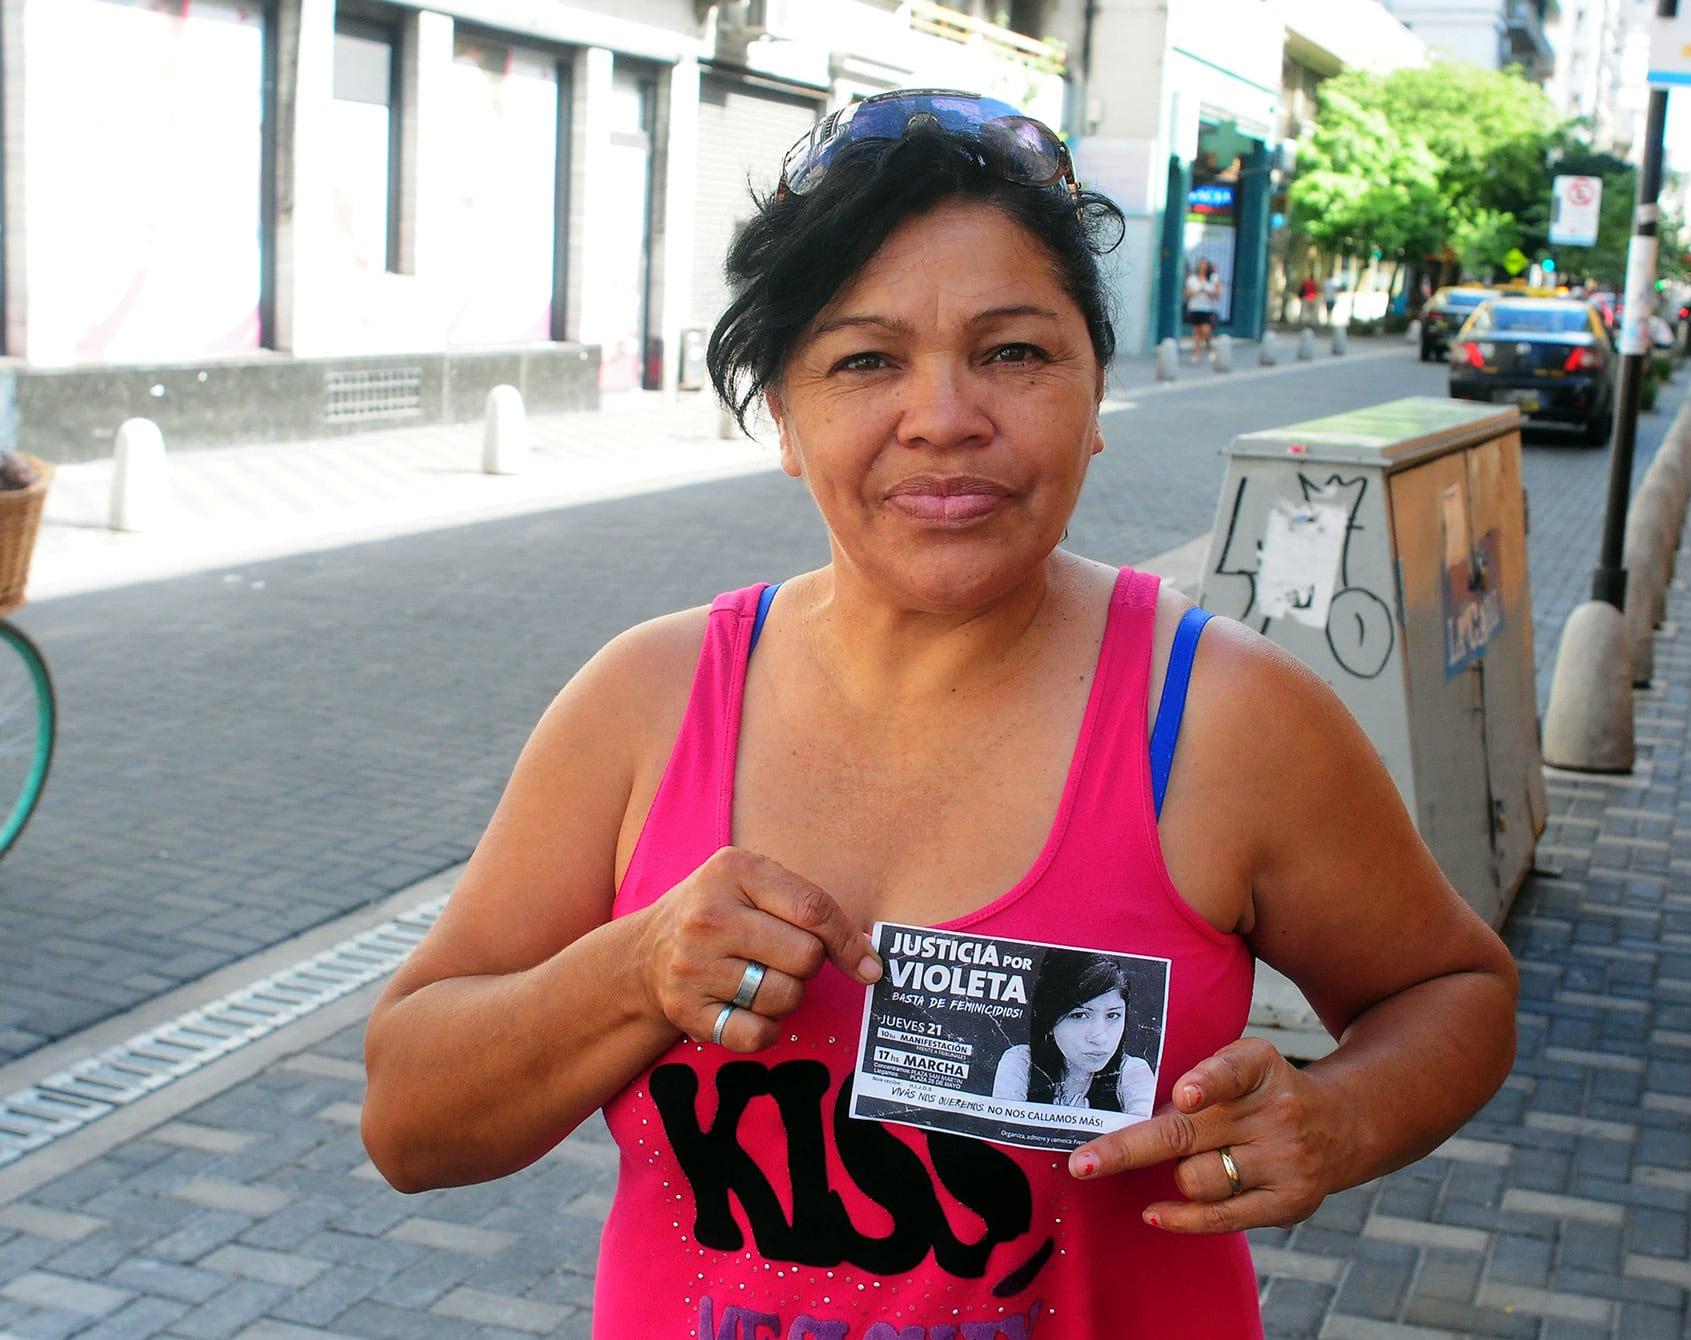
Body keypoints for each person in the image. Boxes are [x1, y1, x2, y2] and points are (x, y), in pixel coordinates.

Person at [360, 88, 1518, 1338]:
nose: (945, 415)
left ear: (1093, 398)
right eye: (865, 359)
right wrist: (634, 972)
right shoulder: (644, 703)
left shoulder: (1230, 720)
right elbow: (410, 1121)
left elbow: (1452, 989)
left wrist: (1338, 1118)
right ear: (786, 420)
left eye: (1014, 351)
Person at [991, 954, 1156, 1115]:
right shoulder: (1022, 1062)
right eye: (1080, 1015)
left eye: (1112, 1015)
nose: (1100, 1038)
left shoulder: (1132, 1073)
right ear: (1048, 1020)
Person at [1184, 257, 1222, 363]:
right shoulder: (1192, 279)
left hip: (1207, 308)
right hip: (1195, 307)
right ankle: (1196, 353)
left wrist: (1209, 291)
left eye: (1204, 266)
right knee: (1196, 332)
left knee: (1206, 330)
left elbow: (1218, 292)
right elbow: (1186, 292)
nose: (1202, 268)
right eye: (1200, 266)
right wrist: (1195, 291)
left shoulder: (1212, 279)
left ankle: (1209, 348)